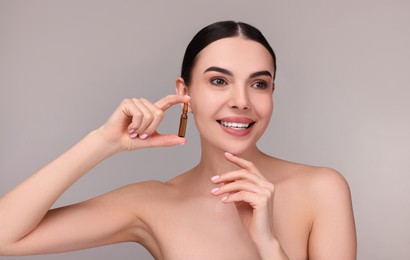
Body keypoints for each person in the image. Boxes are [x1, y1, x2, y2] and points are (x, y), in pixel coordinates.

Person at [0, 21, 356, 259]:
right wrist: (103, 142)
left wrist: (268, 244)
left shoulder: (321, 189)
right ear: (185, 92)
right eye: (219, 81)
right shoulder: (151, 203)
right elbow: (5, 235)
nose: (242, 100)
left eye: (259, 84)